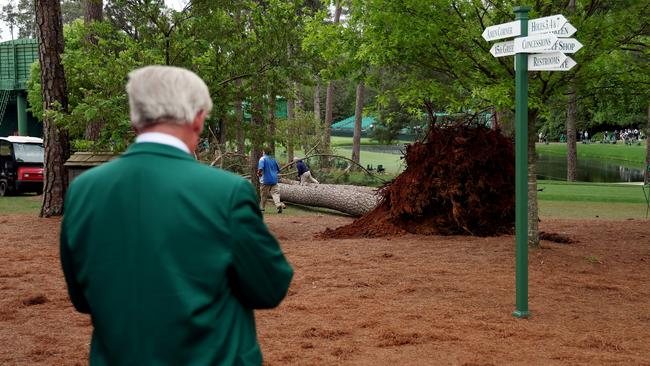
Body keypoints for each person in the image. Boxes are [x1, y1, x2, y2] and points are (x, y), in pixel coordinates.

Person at [60, 65, 293, 365]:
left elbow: (81, 298)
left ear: (134, 119)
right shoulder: (227, 192)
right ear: (197, 118)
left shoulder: (83, 191)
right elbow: (269, 287)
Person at [258, 147, 286, 213]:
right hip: (274, 180)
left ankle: (262, 208)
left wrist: (259, 174)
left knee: (264, 195)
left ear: (264, 152)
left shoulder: (262, 159)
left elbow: (260, 169)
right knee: (275, 194)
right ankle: (278, 205)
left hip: (265, 180)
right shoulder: (273, 159)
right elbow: (278, 169)